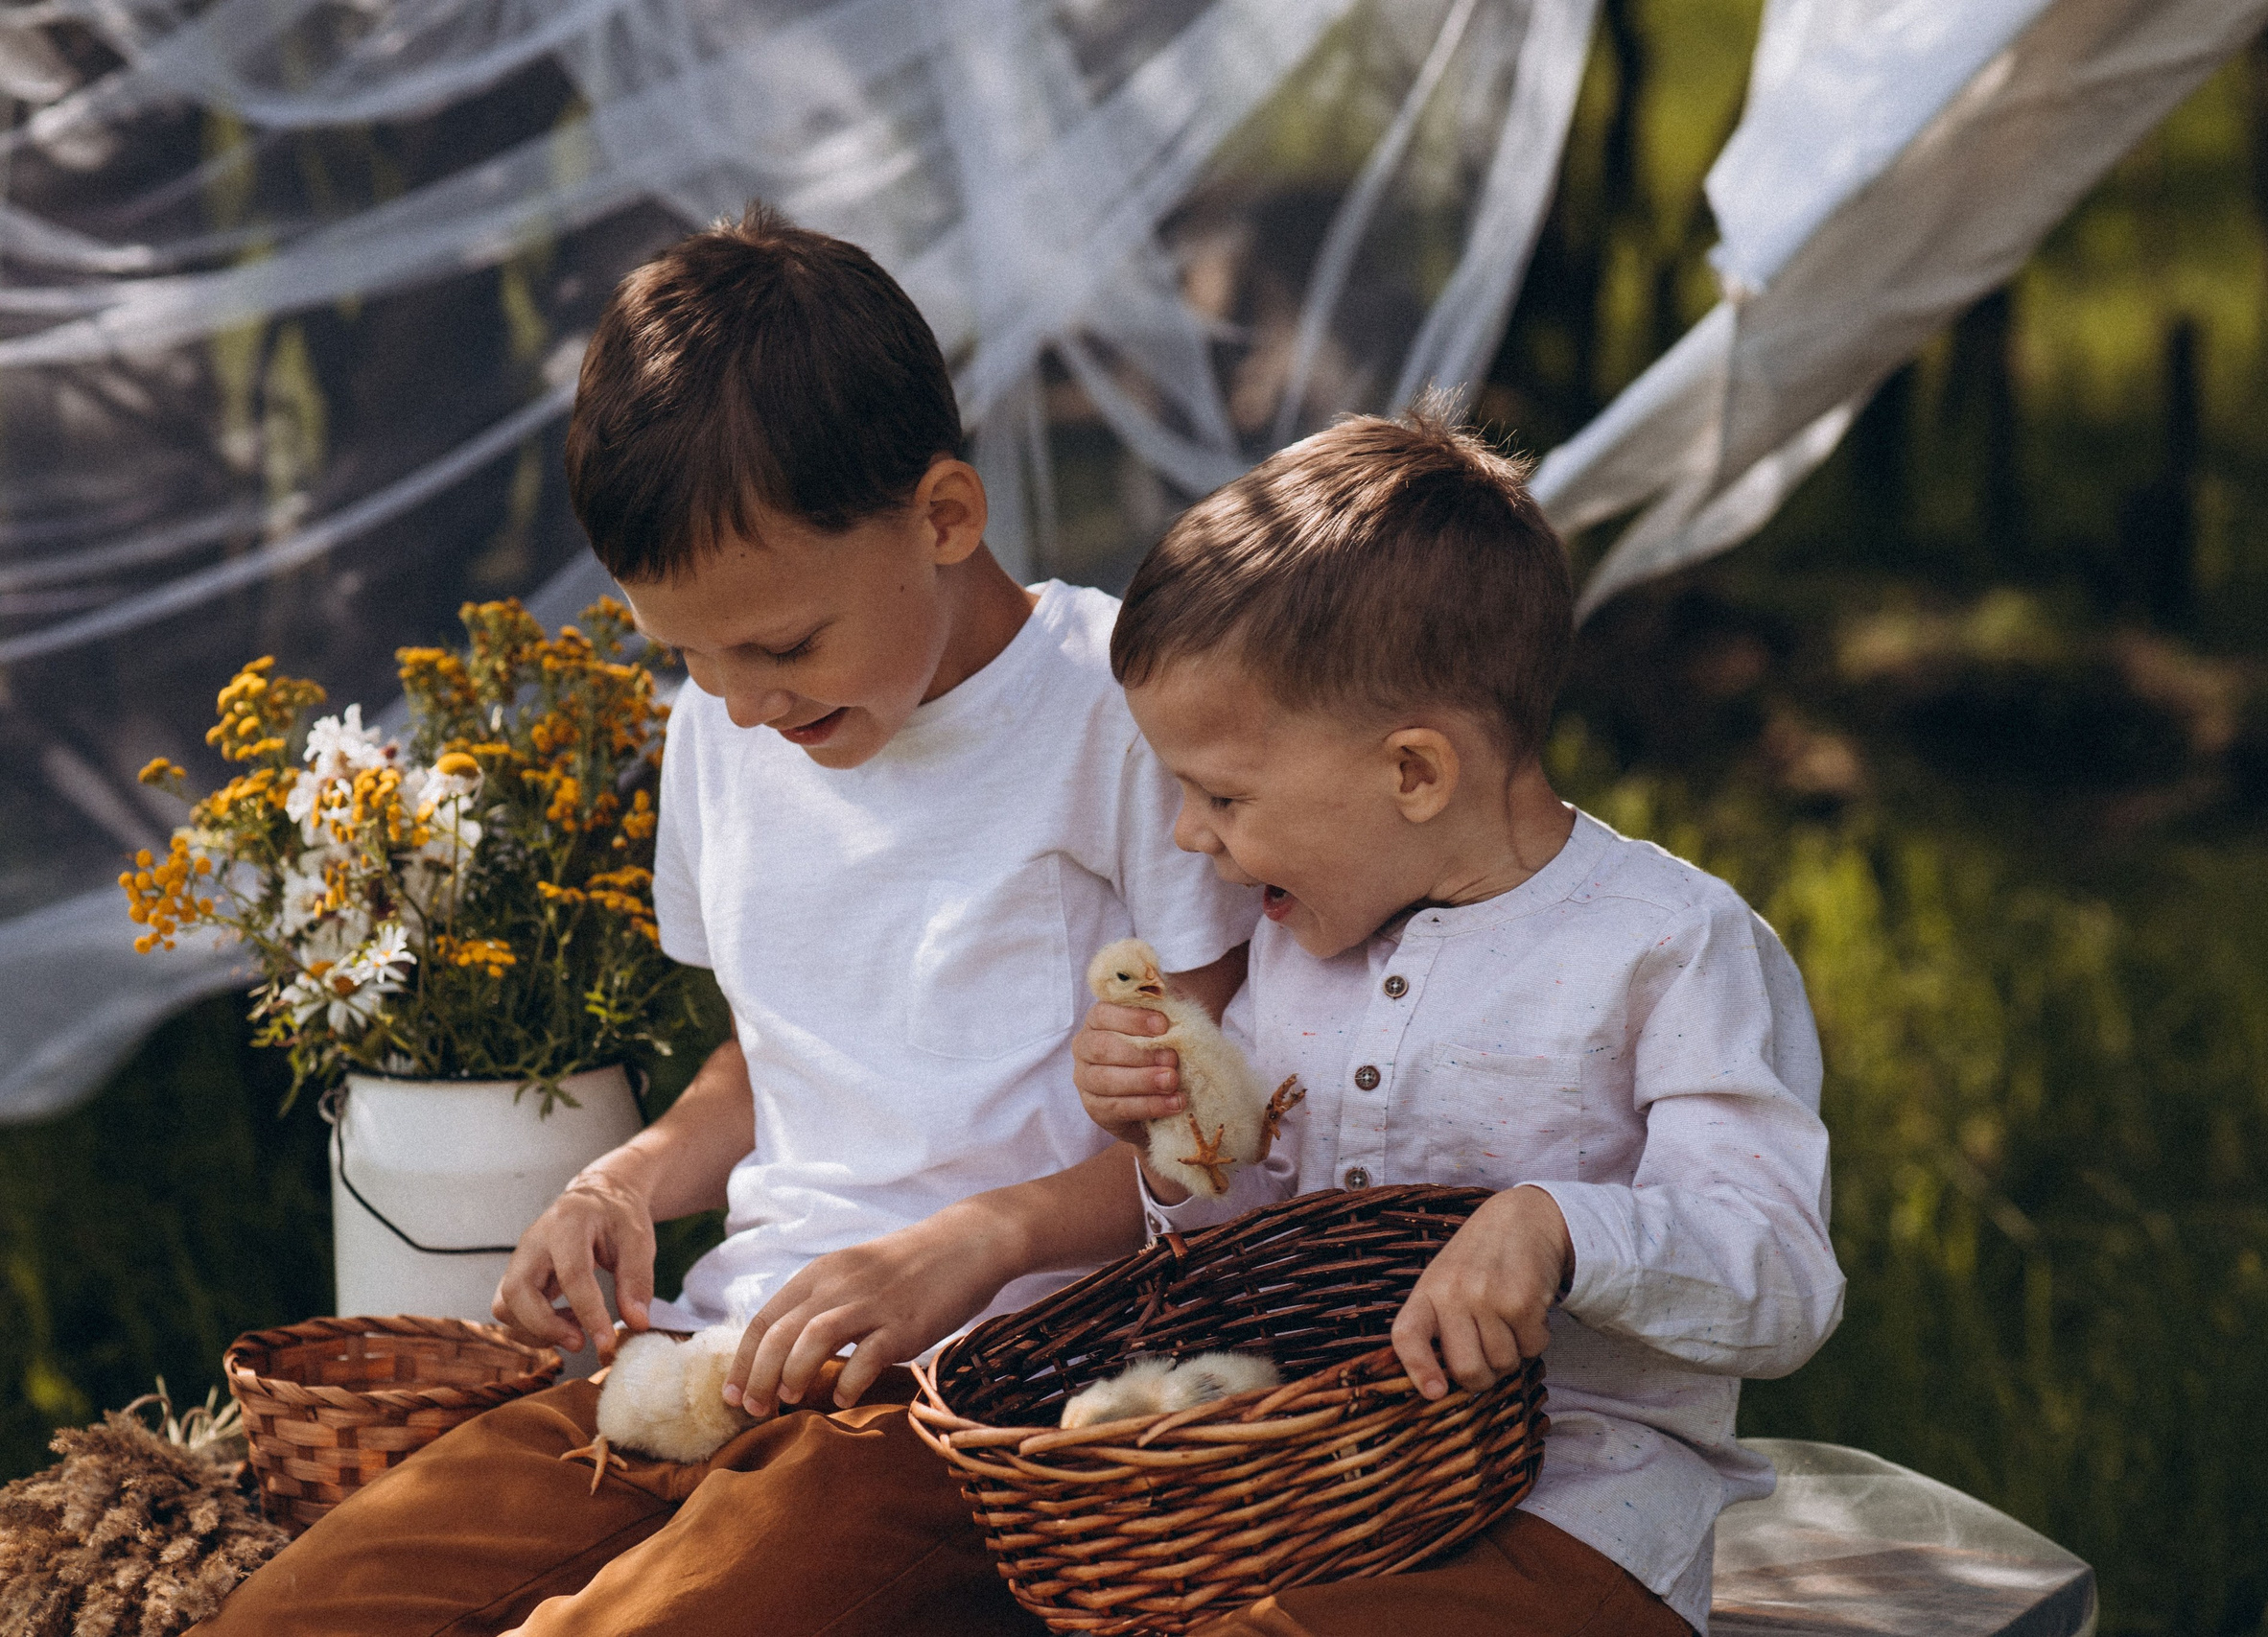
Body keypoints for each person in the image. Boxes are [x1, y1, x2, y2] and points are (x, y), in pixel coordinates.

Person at [204, 205, 1256, 1637]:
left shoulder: (1116, 716)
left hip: (980, 1392)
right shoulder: (731, 729)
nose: (744, 699)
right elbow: (776, 1059)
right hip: (715, 1355)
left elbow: (1224, 1139)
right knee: (296, 1611)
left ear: (946, 514)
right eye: (687, 653)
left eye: (780, 644)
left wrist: (978, 1238)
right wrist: (626, 1178)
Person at [1072, 412, 1847, 1637]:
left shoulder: (1668, 947)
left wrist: (1555, 1225)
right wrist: (1176, 1142)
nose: (1187, 837)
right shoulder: (1294, 945)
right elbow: (1248, 1250)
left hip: (1576, 1521)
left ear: (1415, 774)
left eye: (1222, 795)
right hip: (1315, 1497)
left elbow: (1779, 1280)